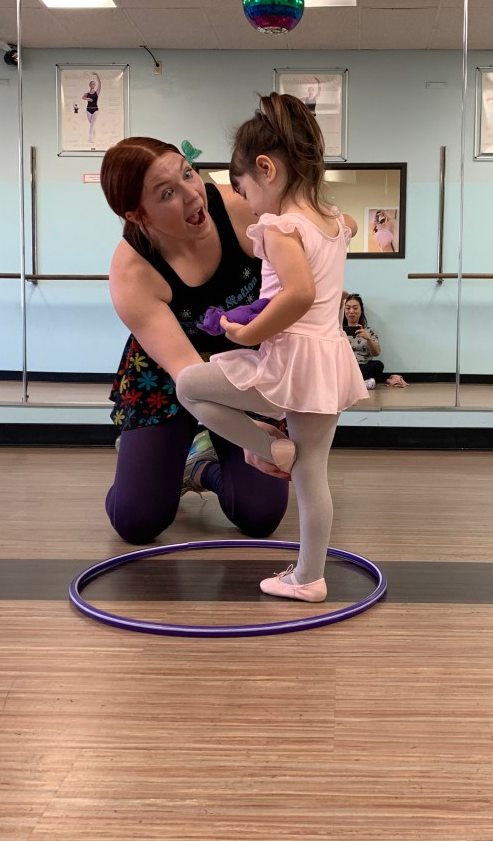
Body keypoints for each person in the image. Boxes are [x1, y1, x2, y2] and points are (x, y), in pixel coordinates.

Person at [176, 93, 368, 603]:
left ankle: (267, 448)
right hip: (327, 361)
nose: (248, 203)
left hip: (291, 362)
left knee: (190, 386)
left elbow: (299, 293)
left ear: (266, 169)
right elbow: (344, 231)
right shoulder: (334, 221)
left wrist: (247, 333)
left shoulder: (280, 227)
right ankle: (309, 577)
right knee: (312, 474)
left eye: (244, 190)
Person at [102, 137, 289, 545]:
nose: (192, 195)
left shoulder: (237, 207)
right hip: (169, 373)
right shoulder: (133, 271)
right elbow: (190, 376)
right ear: (137, 215)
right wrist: (248, 430)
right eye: (167, 193)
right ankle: (169, 463)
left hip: (244, 362)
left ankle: (200, 468)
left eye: (188, 174)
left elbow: (302, 255)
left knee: (260, 514)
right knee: (137, 521)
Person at [342, 293, 408, 389]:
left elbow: (376, 353)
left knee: (378, 365)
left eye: (355, 308)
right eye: (348, 308)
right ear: (343, 310)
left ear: (361, 310)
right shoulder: (338, 331)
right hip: (345, 365)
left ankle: (351, 383)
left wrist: (368, 339)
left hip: (363, 366)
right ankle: (361, 383)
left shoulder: (370, 331)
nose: (351, 311)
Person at [82, 73, 101, 145]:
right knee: (92, 124)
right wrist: (88, 99)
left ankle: (90, 137)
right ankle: (94, 135)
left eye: (93, 84)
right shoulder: (87, 93)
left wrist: (97, 75)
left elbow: (100, 83)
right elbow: (82, 97)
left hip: (95, 110)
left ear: (95, 85)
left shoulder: (97, 92)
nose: (92, 85)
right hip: (88, 110)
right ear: (89, 85)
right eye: (91, 84)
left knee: (92, 124)